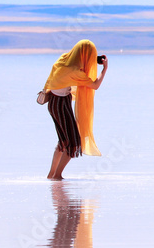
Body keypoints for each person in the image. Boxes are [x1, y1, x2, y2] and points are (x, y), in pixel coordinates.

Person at [43, 39, 108, 179]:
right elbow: (95, 85)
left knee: (63, 142)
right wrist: (104, 69)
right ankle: (57, 175)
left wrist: (93, 60)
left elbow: (78, 64)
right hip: (61, 105)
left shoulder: (64, 59)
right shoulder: (75, 71)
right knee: (73, 142)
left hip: (53, 102)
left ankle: (51, 175)